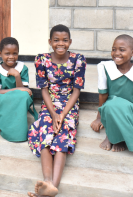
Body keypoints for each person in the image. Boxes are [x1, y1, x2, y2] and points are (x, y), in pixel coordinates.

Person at [27, 24, 86, 197]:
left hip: (69, 105)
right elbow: (44, 89)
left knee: (63, 134)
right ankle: (47, 181)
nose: (61, 44)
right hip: (49, 104)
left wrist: (63, 115)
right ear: (50, 42)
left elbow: (76, 90)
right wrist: (53, 114)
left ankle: (51, 185)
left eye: (65, 40)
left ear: (70, 41)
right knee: (45, 130)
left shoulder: (78, 59)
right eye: (56, 40)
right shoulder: (41, 60)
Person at [90, 34, 133, 152]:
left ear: (132, 53)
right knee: (111, 105)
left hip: (130, 113)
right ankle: (112, 137)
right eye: (113, 49)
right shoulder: (105, 68)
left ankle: (116, 139)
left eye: (122, 50)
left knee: (115, 105)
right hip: (109, 111)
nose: (116, 53)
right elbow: (103, 95)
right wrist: (99, 117)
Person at [0, 37, 37, 161]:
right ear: (0, 54)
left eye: (15, 53)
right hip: (2, 97)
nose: (11, 57)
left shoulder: (22, 68)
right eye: (7, 53)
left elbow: (24, 91)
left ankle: (19, 131)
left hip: (18, 97)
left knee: (24, 96)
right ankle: (7, 129)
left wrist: (17, 75)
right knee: (9, 97)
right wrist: (15, 90)